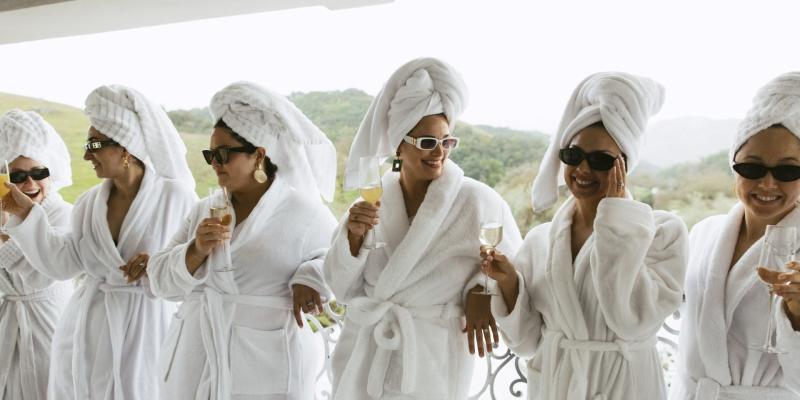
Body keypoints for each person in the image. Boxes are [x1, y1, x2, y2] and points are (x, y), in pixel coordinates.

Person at [324, 57, 522, 400]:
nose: (440, 153)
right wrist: (353, 239)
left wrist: (481, 290)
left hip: (430, 358)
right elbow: (341, 288)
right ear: (400, 145)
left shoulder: (477, 200)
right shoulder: (373, 200)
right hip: (366, 349)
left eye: (447, 142)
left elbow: (515, 264)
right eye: (428, 143)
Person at [483, 72, 688, 399]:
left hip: (623, 386)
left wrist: (619, 224)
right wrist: (508, 284)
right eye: (573, 156)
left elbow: (632, 322)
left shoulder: (662, 233)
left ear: (626, 163)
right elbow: (525, 342)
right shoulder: (540, 241)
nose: (583, 169)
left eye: (600, 160)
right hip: (555, 384)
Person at [2, 85, 197, 399]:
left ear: (125, 148)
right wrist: (25, 214)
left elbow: (198, 263)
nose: (85, 155)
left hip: (147, 325)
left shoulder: (174, 197)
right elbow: (62, 263)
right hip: (89, 326)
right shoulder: (89, 203)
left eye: (94, 144)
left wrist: (159, 264)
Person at [148, 81, 338, 400]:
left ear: (258, 156)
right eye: (211, 154)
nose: (214, 163)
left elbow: (340, 263)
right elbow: (158, 282)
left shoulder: (304, 212)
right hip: (197, 356)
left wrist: (310, 276)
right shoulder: (203, 209)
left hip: (268, 361)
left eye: (223, 154)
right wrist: (195, 250)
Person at [671, 72, 800, 399]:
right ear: (734, 166)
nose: (768, 184)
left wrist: (797, 316)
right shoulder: (704, 233)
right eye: (752, 168)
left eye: (787, 171)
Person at [0, 110, 73, 400]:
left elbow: (41, 270)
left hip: (49, 319)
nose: (30, 184)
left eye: (39, 173)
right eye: (18, 176)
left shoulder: (63, 213)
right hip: (6, 318)